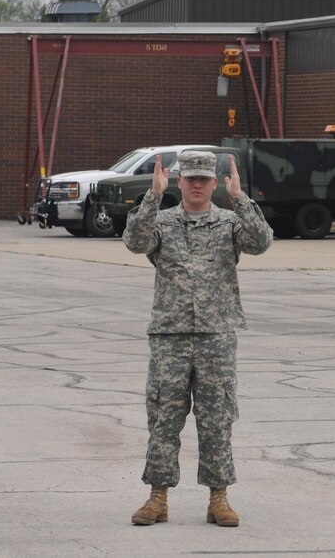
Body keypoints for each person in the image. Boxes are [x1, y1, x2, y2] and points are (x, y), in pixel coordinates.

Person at [124, 150, 272, 527]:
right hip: (170, 338)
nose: (196, 185)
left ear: (213, 184)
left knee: (216, 419)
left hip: (215, 337)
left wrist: (240, 198)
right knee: (163, 418)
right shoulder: (160, 221)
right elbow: (135, 242)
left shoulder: (229, 222)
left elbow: (260, 242)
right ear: (179, 182)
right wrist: (152, 196)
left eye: (203, 179)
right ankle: (157, 498)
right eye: (189, 178)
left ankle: (218, 499)